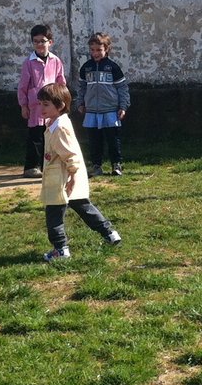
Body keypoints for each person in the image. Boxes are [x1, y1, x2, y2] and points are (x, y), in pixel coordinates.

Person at [37, 82, 122, 261]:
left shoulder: (59, 127)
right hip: (64, 177)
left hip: (62, 179)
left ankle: (60, 249)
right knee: (84, 207)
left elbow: (71, 154)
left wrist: (73, 177)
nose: (41, 108)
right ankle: (110, 234)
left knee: (54, 216)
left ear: (60, 106)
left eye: (46, 104)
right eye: (40, 104)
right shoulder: (54, 123)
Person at [77, 31, 131, 177]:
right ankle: (96, 166)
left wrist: (123, 106)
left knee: (113, 140)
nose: (95, 53)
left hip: (110, 111)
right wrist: (80, 102)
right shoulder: (86, 68)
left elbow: (122, 88)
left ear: (106, 49)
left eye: (99, 50)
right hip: (92, 111)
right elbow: (82, 87)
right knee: (94, 141)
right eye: (92, 50)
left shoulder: (113, 68)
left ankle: (116, 165)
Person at [17, 23, 64, 177]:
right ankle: (31, 167)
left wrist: (61, 101)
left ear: (50, 42)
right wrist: (24, 105)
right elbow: (23, 86)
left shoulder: (56, 61)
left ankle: (48, 165)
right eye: (35, 41)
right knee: (35, 136)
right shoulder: (28, 63)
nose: (39, 44)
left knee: (50, 137)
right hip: (35, 108)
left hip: (52, 107)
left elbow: (60, 82)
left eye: (42, 41)